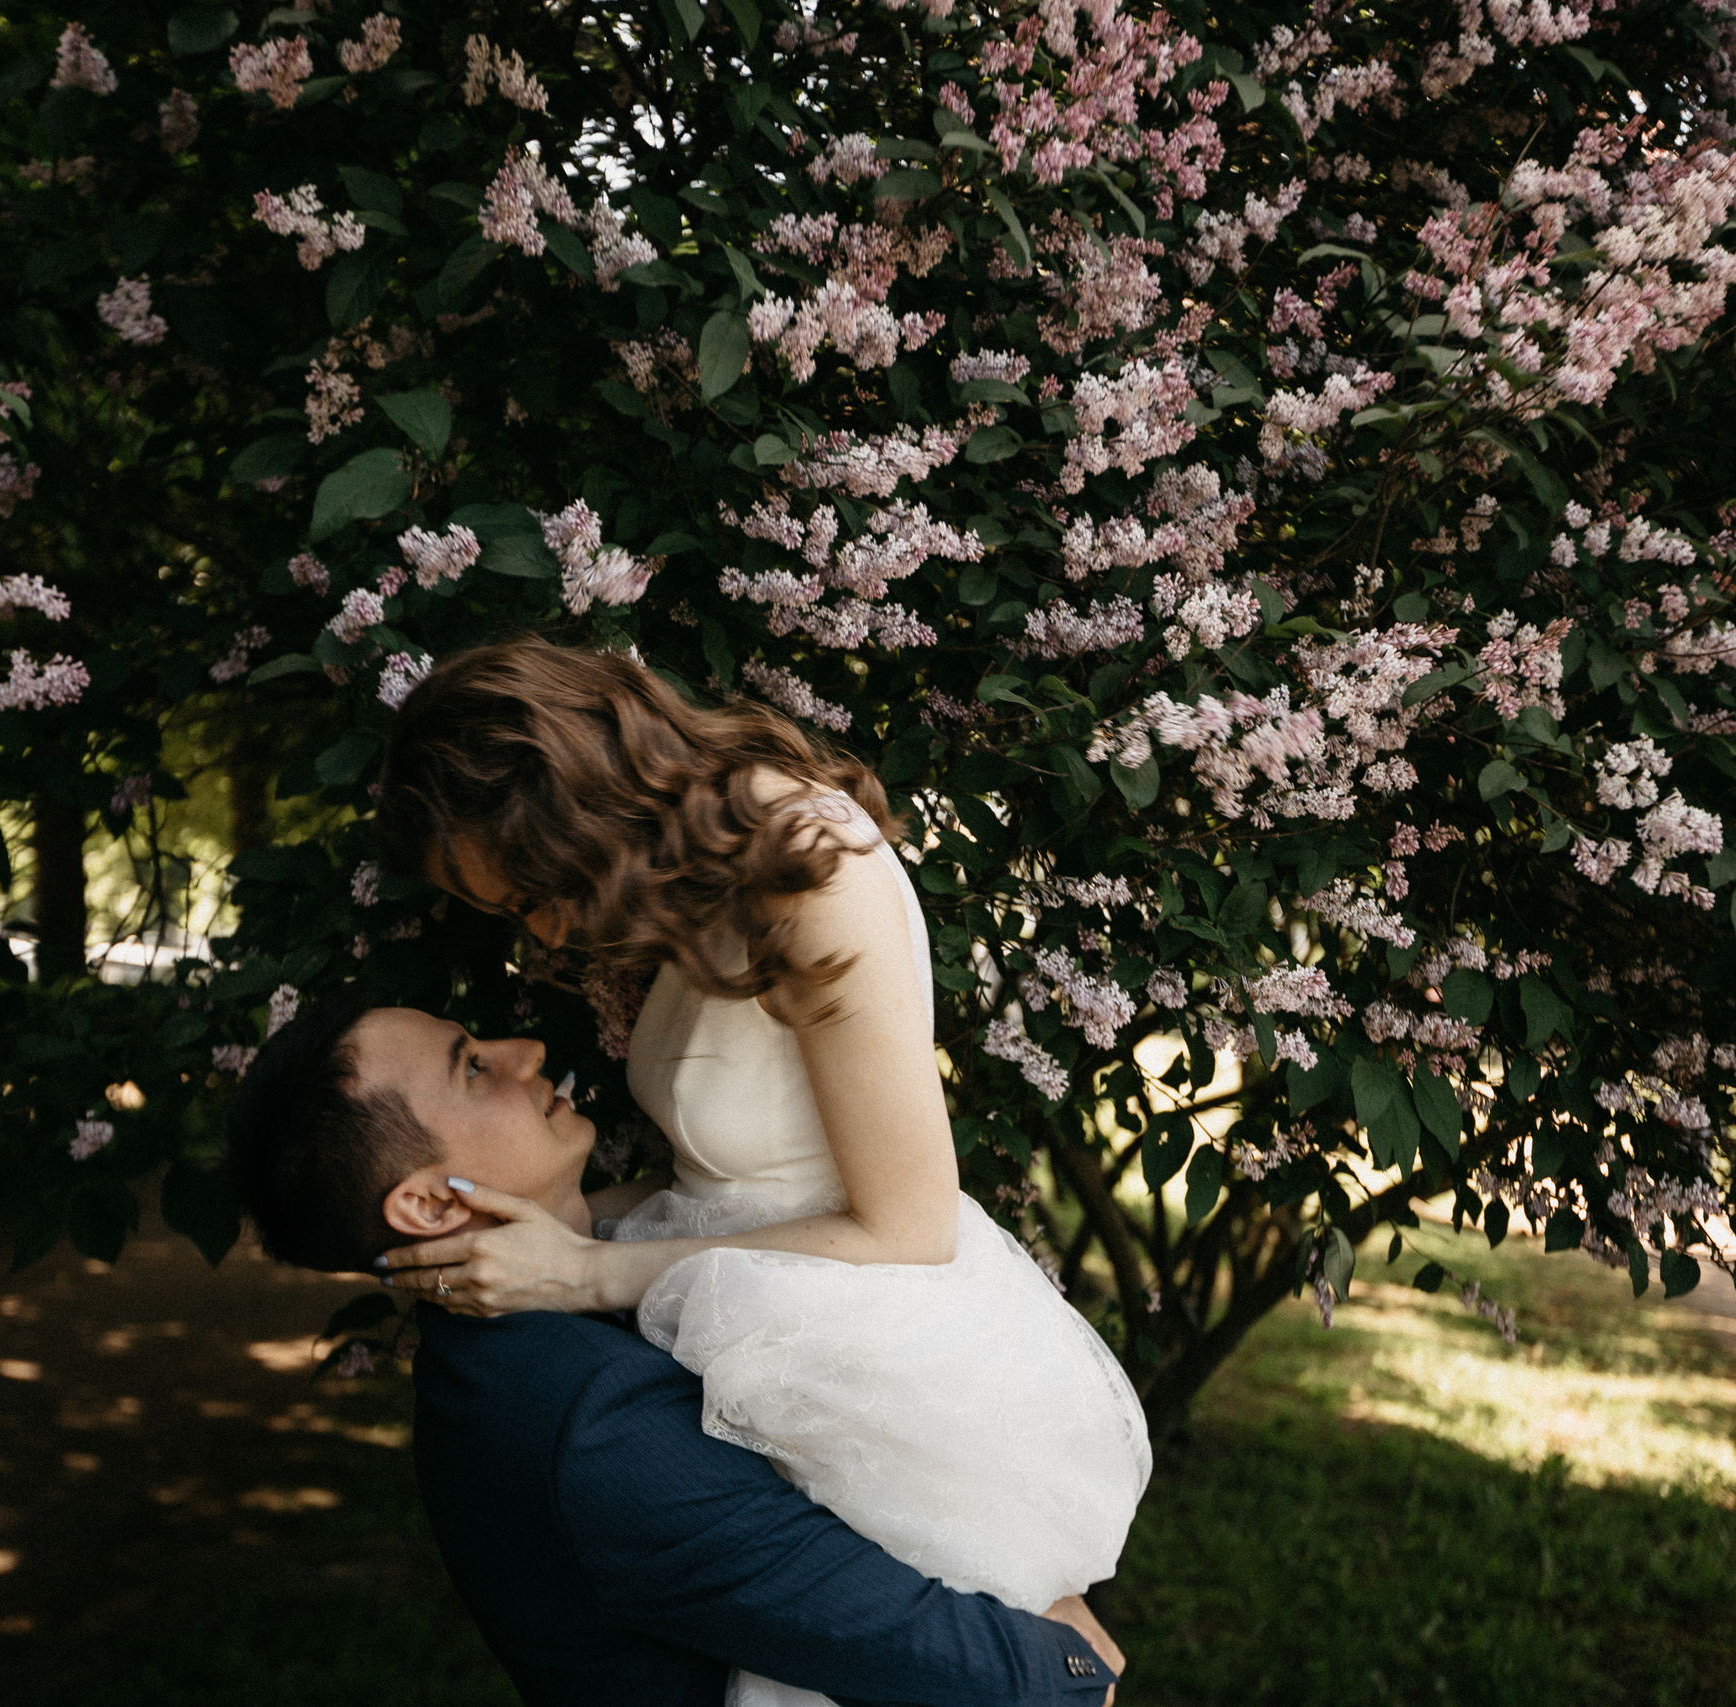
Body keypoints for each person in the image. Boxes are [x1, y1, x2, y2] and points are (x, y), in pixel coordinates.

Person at [366, 638, 1151, 1707]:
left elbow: (904, 1229)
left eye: (527, 897)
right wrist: (545, 1228)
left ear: (565, 813)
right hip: (767, 1323)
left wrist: (583, 1275)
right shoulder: (706, 871)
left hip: (874, 1355)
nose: (542, 932)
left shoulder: (808, 867)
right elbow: (736, 1173)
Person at [227, 995, 1124, 1705]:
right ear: (427, 1207)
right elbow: (930, 1651)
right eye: (473, 1067)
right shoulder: (586, 1422)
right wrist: (1068, 1667)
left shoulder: (531, 1314)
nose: (524, 1051)